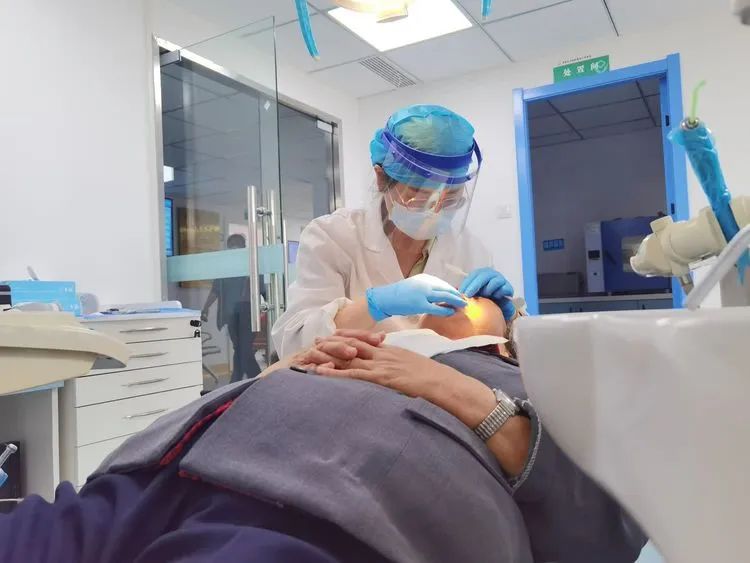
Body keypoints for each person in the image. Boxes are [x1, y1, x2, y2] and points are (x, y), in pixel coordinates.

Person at [0, 302, 646, 563]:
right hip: (157, 478)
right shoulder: (358, 341)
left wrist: (465, 396)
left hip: (342, 502)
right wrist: (275, 375)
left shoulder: (518, 380)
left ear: (507, 337)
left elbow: (603, 530)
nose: (449, 306)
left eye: (471, 305)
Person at [272, 104, 517, 358]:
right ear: (381, 178)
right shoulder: (331, 238)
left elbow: (505, 352)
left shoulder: (472, 251)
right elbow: (295, 343)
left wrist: (506, 317)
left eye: (451, 197)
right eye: (421, 195)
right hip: (356, 380)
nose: (436, 210)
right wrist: (375, 305)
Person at [201, 234, 262, 383]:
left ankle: (255, 381)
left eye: (237, 244)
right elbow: (216, 290)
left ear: (243, 247)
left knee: (244, 350)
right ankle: (240, 381)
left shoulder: (252, 264)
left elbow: (261, 289)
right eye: (232, 245)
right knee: (240, 349)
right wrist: (205, 308)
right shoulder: (226, 267)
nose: (234, 248)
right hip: (231, 314)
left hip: (247, 313)